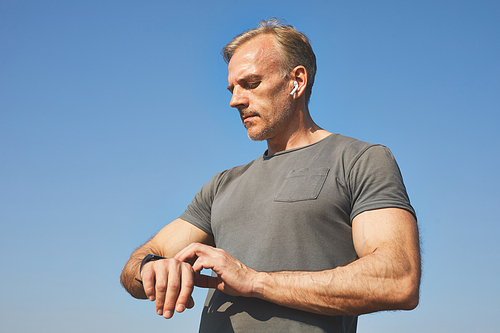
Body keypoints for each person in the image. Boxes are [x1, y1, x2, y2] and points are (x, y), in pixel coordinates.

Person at [120, 18, 421, 333]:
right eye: (232, 88)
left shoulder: (360, 160)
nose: (235, 100)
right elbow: (136, 268)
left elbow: (399, 278)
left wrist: (254, 281)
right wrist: (153, 267)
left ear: (297, 81)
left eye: (250, 83)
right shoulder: (222, 185)